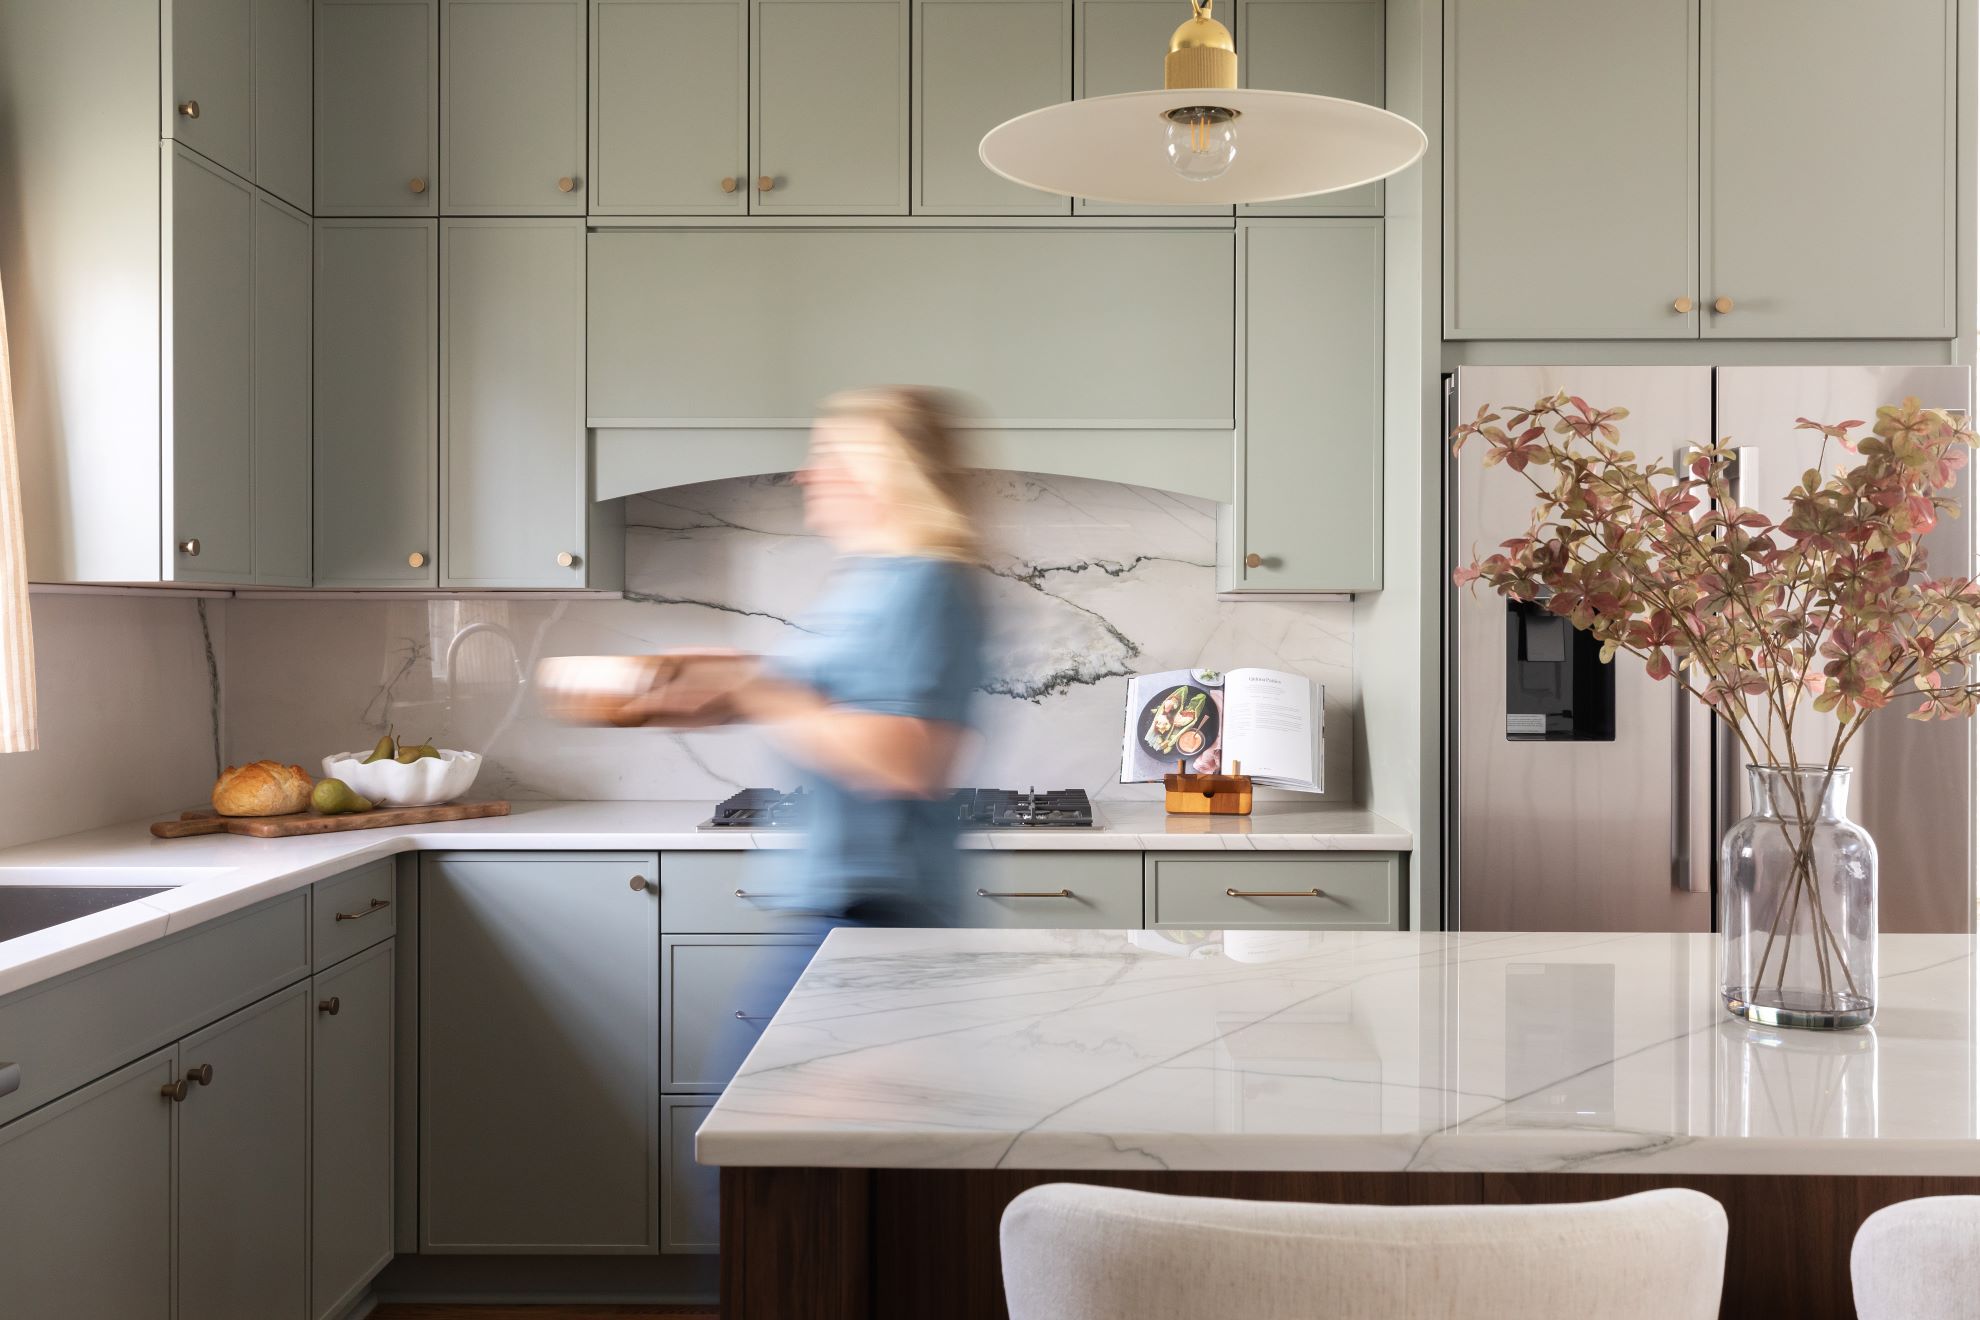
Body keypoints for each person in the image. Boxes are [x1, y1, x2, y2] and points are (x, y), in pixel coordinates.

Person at [618, 386, 986, 926]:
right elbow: (822, 707)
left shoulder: (925, 582)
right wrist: (722, 688)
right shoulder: (870, 579)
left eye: (828, 457)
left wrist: (754, 688)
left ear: (881, 471)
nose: (805, 475)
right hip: (837, 892)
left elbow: (907, 759)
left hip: (882, 904)